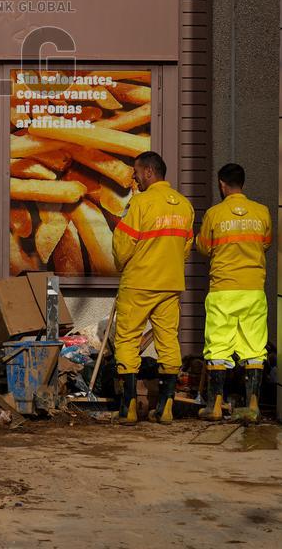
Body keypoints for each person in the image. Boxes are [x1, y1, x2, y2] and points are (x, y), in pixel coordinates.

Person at [112, 150, 195, 425]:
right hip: (170, 285)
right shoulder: (185, 206)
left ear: (148, 172)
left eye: (136, 173)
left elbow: (123, 245)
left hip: (139, 283)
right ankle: (166, 407)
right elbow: (185, 248)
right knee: (168, 341)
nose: (134, 179)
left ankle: (129, 409)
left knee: (127, 339)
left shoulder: (140, 203)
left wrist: (121, 264)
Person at [195, 163, 272, 423]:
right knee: (254, 348)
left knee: (218, 347)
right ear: (243, 183)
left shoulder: (215, 214)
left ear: (221, 184)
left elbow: (204, 248)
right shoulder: (262, 212)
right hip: (253, 289)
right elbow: (266, 243)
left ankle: (214, 406)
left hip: (223, 290)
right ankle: (252, 406)